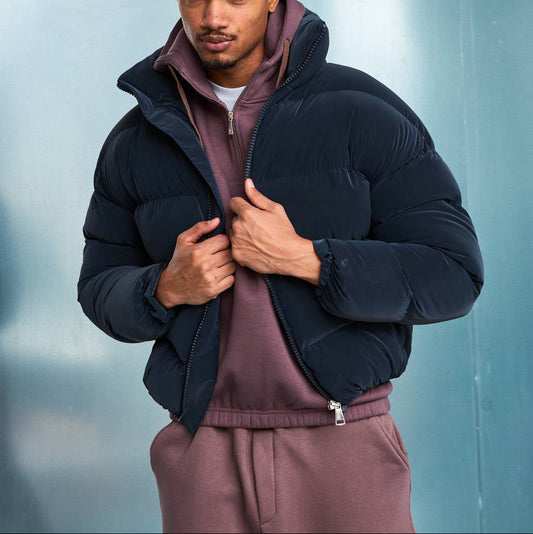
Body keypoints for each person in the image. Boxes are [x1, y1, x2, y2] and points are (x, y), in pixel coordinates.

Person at [77, 0, 484, 532]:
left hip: (343, 443)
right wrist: (163, 288)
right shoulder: (136, 139)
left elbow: (453, 272)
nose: (212, 16)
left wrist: (309, 259)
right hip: (201, 452)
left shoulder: (362, 111)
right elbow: (98, 285)